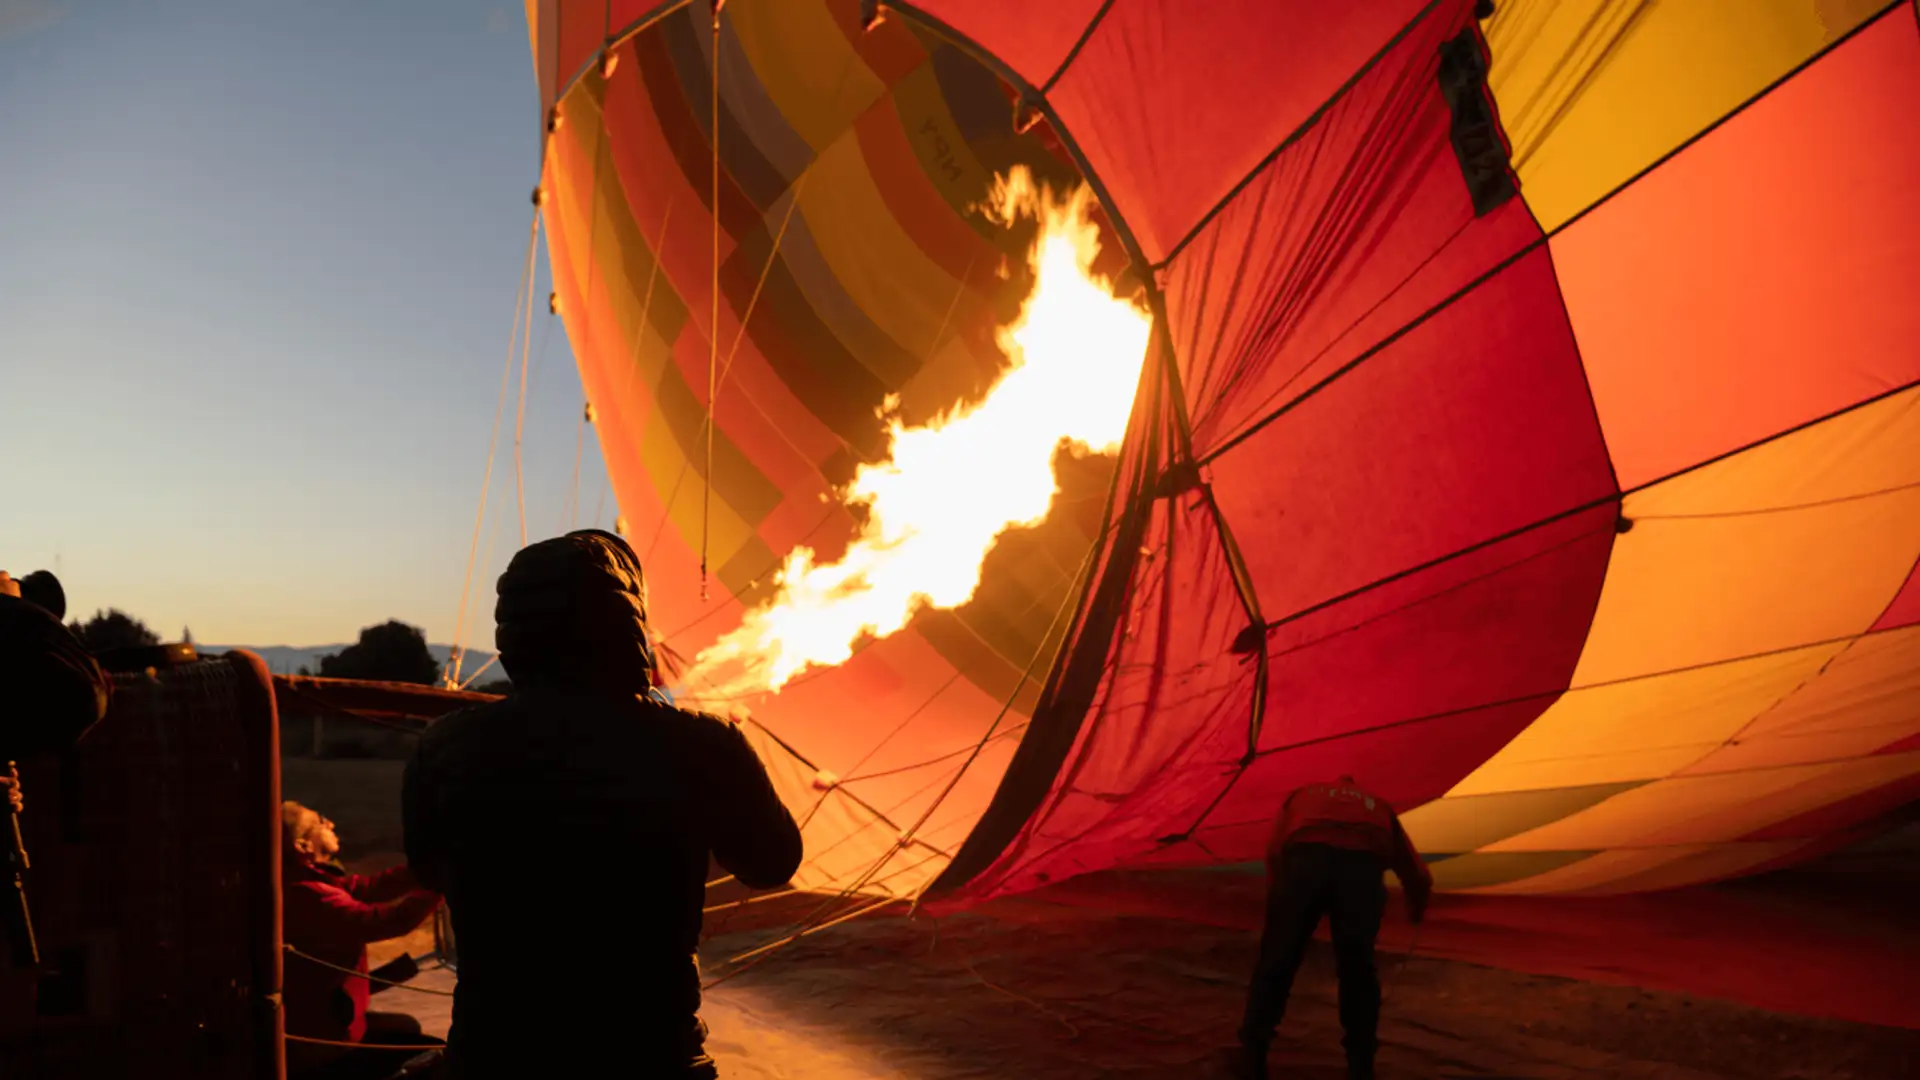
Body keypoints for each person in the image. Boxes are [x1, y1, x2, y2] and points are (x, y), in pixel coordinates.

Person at [403, 529, 803, 1079]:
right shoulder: (701, 743)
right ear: (626, 620)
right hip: (651, 1053)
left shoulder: (442, 744)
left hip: (495, 1051)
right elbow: (774, 861)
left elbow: (427, 869)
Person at [1234, 774, 1433, 1080]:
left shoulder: (1301, 793)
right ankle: (1360, 1062)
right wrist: (1416, 909)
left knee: (1277, 959)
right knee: (1357, 969)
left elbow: (1276, 849)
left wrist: (1279, 897)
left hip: (1304, 861)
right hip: (1360, 867)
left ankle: (1253, 1052)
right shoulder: (1377, 805)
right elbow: (1414, 871)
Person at [282, 800, 445, 1080]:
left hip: (331, 1021)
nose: (330, 824)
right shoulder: (311, 897)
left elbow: (367, 888)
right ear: (303, 845)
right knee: (433, 1056)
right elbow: (386, 921)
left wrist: (424, 871)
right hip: (325, 1042)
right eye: (320, 822)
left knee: (408, 1028)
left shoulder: (308, 879)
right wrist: (440, 884)